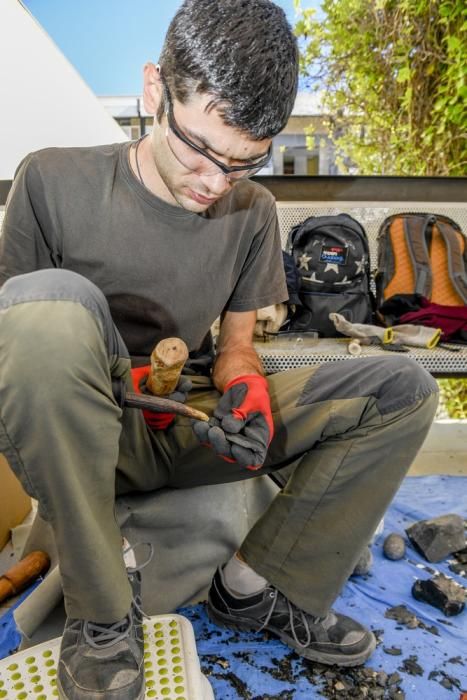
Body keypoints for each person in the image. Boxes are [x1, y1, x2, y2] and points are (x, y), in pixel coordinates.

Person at [0, 1, 438, 698]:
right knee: (47, 301)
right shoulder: (51, 181)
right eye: (198, 151)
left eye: (242, 163)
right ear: (154, 90)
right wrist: (116, 376)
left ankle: (255, 586)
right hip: (90, 437)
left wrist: (245, 390)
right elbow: (18, 339)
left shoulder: (251, 211)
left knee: (400, 388)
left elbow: (236, 348)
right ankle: (103, 613)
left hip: (192, 423)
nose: (213, 183)